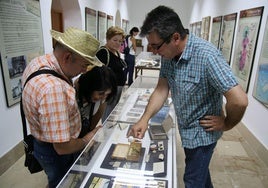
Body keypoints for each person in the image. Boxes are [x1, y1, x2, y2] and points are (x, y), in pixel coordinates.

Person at [127, 6, 248, 188]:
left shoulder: (207, 56)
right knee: (199, 174)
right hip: (186, 129)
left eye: (156, 46)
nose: (153, 51)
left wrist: (227, 123)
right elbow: (161, 90)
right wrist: (144, 119)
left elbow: (239, 100)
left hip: (202, 134)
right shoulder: (169, 55)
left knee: (192, 181)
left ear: (175, 38)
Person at [21, 27, 103, 188]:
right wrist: (87, 139)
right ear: (67, 57)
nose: (85, 70)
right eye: (84, 64)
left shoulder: (39, 62)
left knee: (55, 180)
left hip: (41, 143)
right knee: (62, 182)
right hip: (54, 152)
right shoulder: (54, 90)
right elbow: (62, 147)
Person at [75, 66, 117, 138]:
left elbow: (91, 128)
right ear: (89, 87)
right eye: (101, 93)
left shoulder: (102, 100)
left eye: (107, 94)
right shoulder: (71, 94)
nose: (103, 98)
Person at [96, 26, 127, 122]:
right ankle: (105, 132)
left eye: (120, 41)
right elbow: (98, 73)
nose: (118, 43)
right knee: (106, 113)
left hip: (117, 88)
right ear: (108, 38)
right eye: (115, 40)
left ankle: (108, 128)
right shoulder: (103, 52)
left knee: (112, 112)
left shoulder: (115, 52)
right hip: (109, 90)